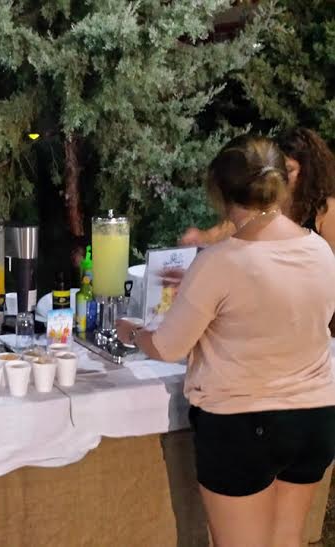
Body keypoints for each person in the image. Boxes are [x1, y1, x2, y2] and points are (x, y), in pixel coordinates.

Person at [117, 135, 335, 547]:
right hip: (314, 418)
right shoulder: (321, 252)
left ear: (219, 192)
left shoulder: (220, 262)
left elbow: (168, 347)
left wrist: (131, 332)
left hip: (244, 423)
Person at [180, 127, 335, 251]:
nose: (280, 177)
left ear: (309, 172)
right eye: (277, 170)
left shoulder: (327, 211)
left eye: (288, 170)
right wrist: (203, 237)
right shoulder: (265, 201)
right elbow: (233, 226)